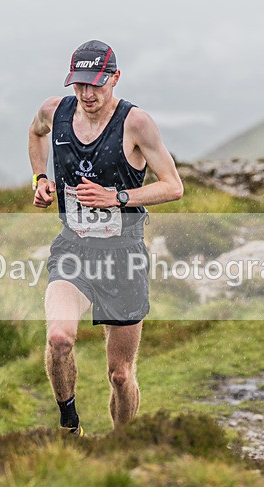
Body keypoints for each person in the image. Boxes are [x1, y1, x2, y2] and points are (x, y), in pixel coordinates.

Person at [28, 39, 183, 435]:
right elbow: (36, 132)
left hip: (123, 256)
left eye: (96, 84)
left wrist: (119, 197)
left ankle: (121, 442)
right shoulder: (55, 111)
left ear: (114, 78)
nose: (87, 94)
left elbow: (173, 185)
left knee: (119, 374)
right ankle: (70, 428)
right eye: (79, 84)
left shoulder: (136, 123)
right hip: (73, 248)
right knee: (59, 339)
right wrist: (41, 178)